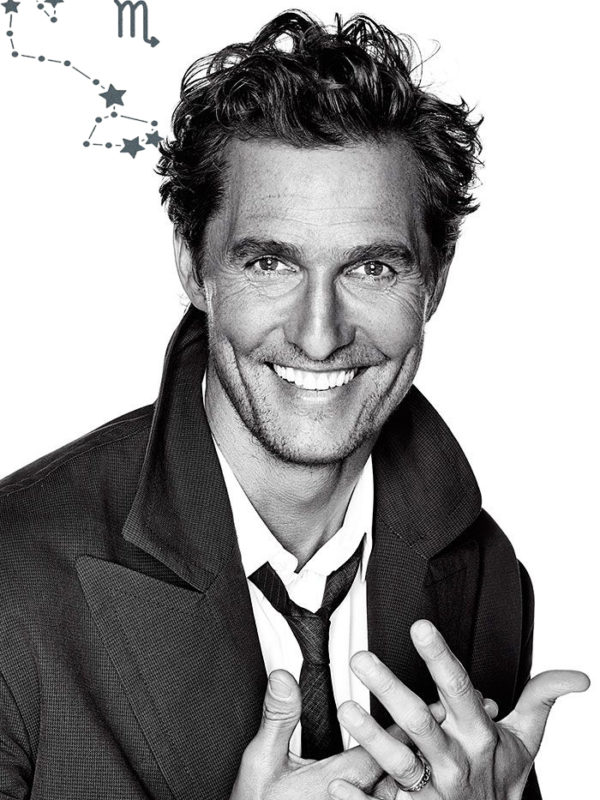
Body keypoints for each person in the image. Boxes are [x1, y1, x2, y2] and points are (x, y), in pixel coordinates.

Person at [0, 11, 588, 800]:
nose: (319, 335)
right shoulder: (12, 581)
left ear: (434, 284)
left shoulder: (487, 573)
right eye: (270, 263)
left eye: (373, 269)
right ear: (193, 267)